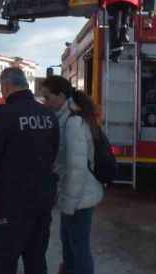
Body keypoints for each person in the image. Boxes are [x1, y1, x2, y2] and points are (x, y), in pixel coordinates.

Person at [0, 67, 60, 274]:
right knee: (36, 259)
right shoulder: (48, 115)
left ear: (6, 86)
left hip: (12, 201)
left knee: (1, 261)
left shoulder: (3, 115)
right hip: (43, 199)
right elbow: (53, 152)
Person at [41, 77, 104, 274]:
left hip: (79, 199)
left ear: (60, 96)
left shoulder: (73, 122)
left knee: (78, 248)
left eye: (47, 96)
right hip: (76, 196)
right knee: (70, 244)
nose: (44, 101)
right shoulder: (67, 117)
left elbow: (76, 168)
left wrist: (69, 202)